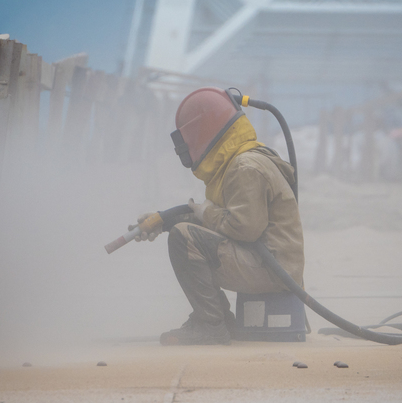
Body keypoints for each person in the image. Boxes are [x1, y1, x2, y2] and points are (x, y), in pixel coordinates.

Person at [131, 88, 305, 345]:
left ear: (202, 133)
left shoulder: (245, 167)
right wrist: (163, 220)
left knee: (183, 238)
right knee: (182, 232)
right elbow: (224, 224)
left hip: (272, 269)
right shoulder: (237, 161)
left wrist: (200, 215)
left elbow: (243, 229)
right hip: (269, 263)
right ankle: (220, 320)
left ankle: (210, 324)